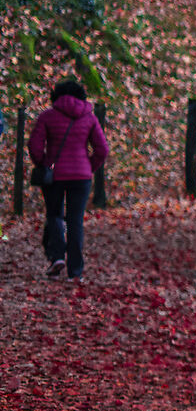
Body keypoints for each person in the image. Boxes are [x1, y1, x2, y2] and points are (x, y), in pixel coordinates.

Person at [29, 77, 107, 281]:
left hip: (54, 175)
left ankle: (56, 257)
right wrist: (89, 166)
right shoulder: (89, 118)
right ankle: (76, 271)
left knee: (54, 214)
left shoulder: (47, 116)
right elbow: (102, 149)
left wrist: (43, 162)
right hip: (81, 176)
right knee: (75, 221)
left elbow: (34, 146)